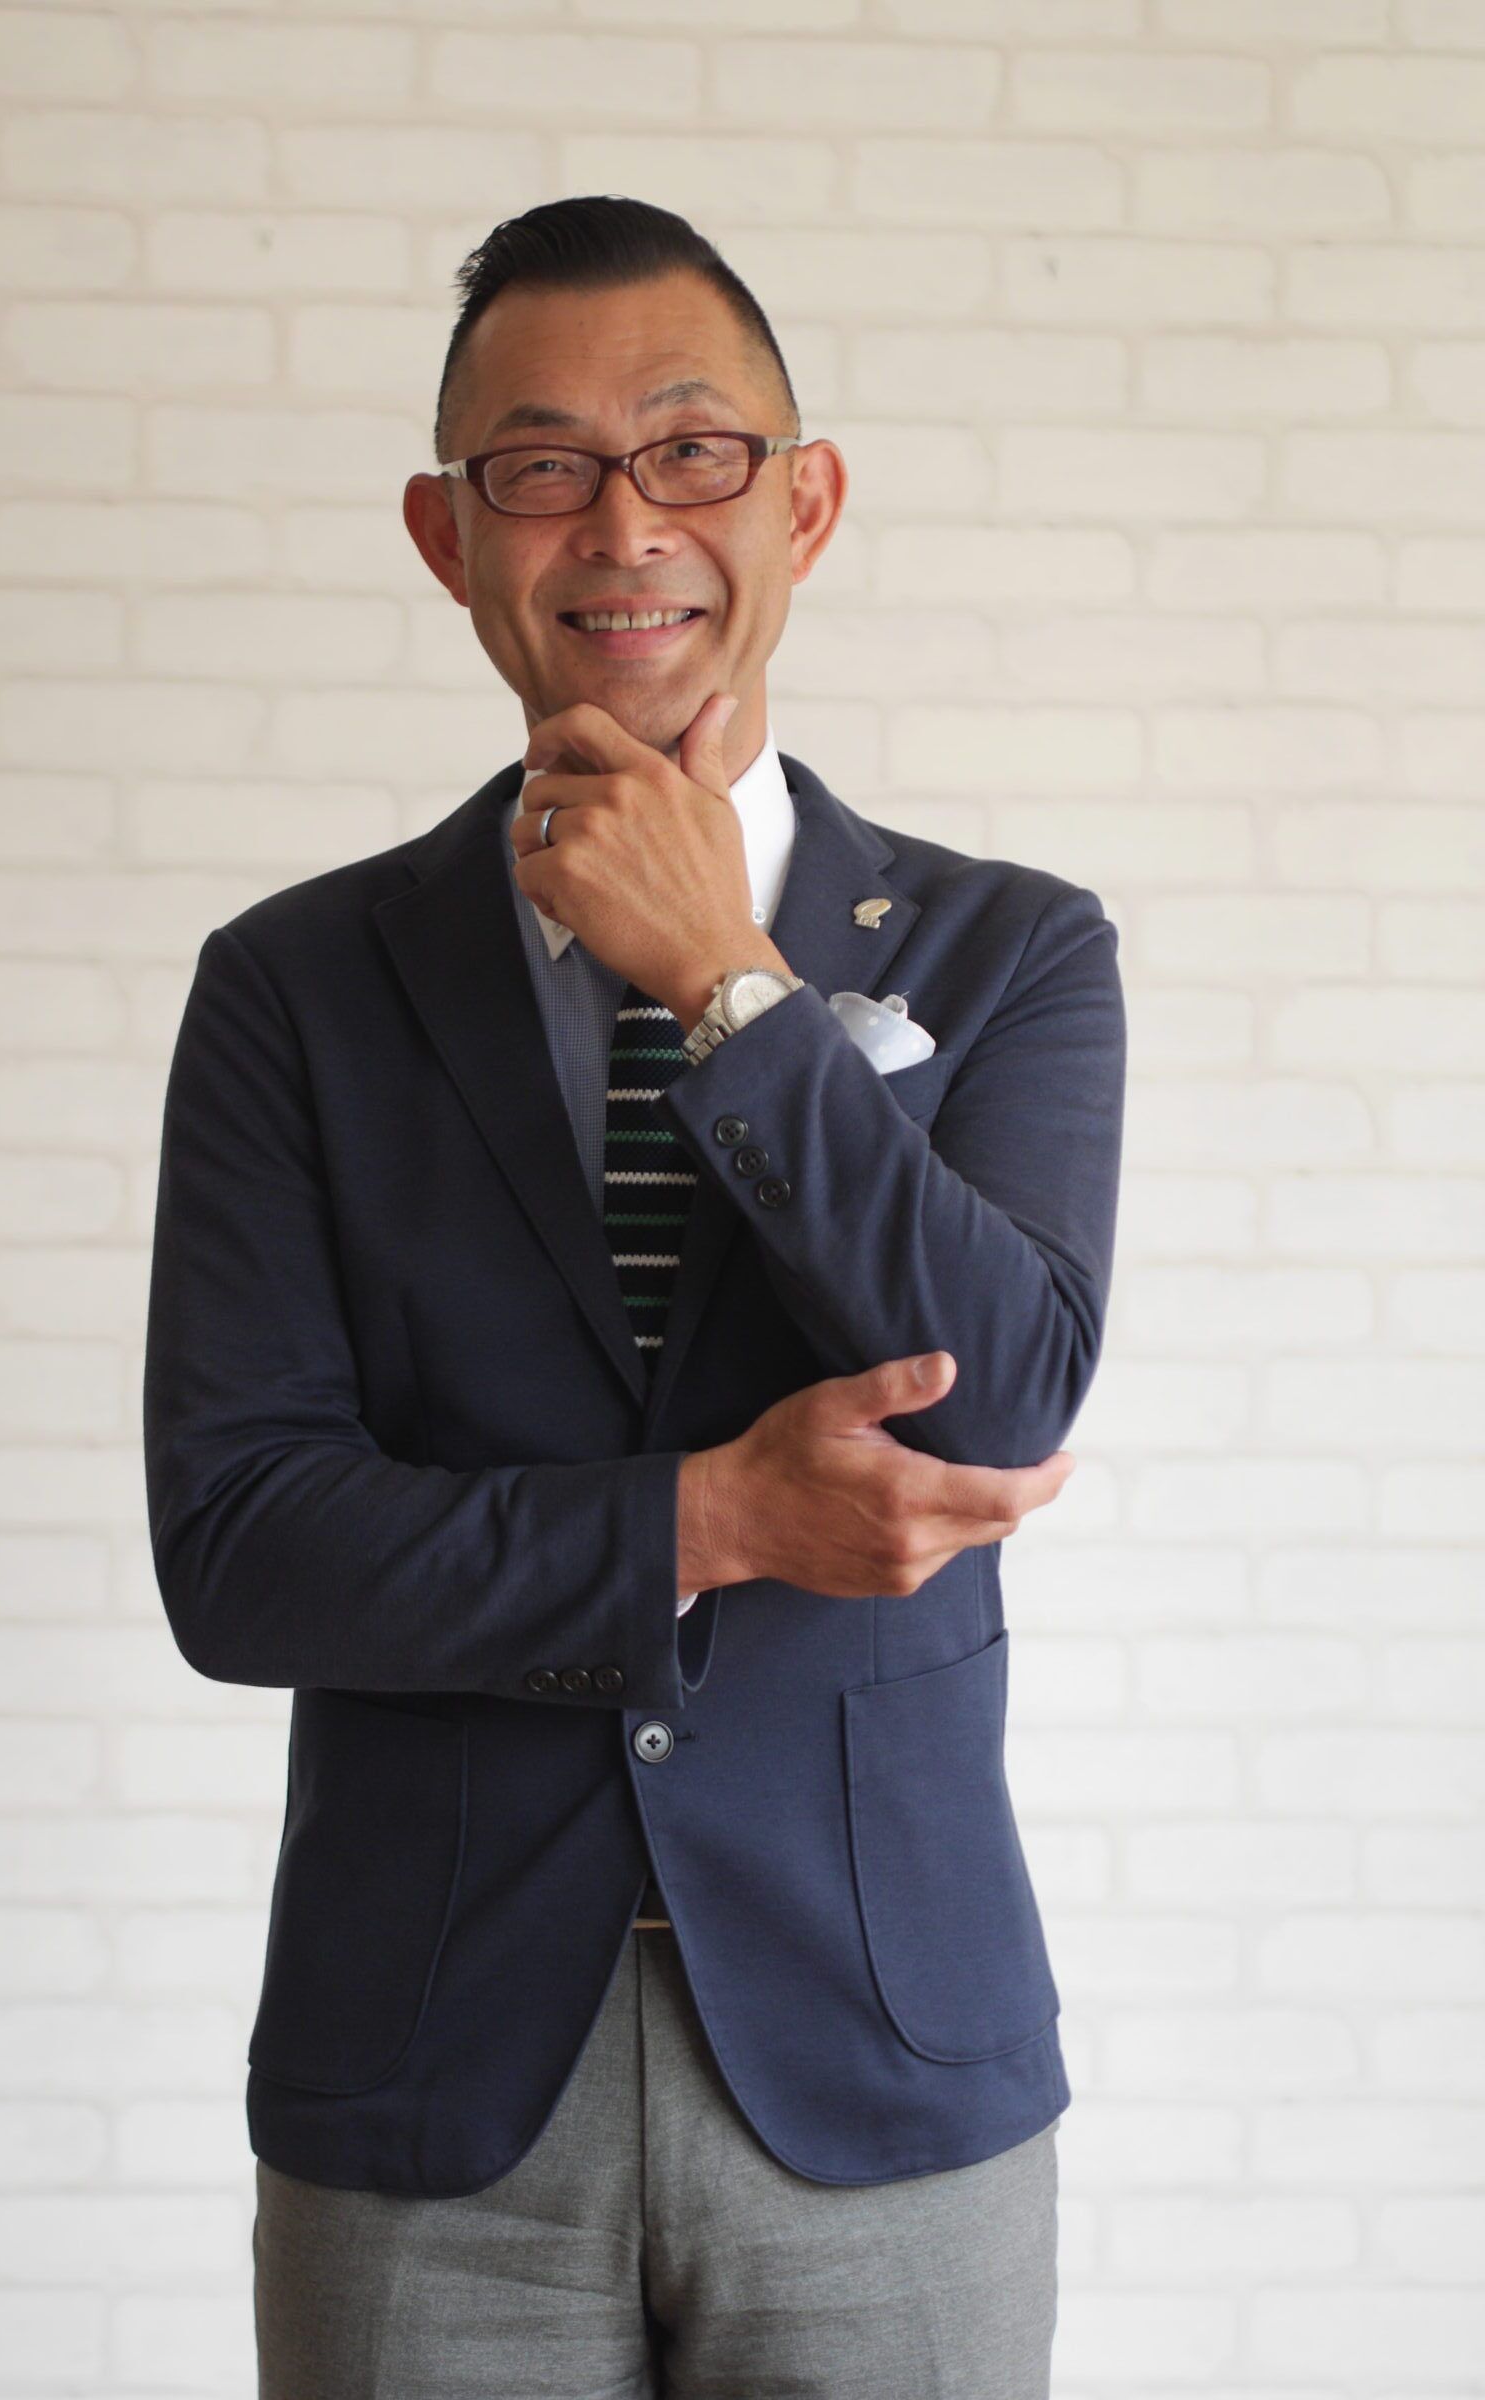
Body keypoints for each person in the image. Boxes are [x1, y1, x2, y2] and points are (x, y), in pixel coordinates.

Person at [142, 195, 1126, 2398]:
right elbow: (241, 1552)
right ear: (446, 537)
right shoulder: (296, 986)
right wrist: (708, 1520)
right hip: (432, 2076)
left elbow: (999, 1403)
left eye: (690, 452)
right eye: (540, 466)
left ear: (805, 502)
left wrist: (730, 985)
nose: (622, 524)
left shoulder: (1010, 952)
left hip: (882, 2052)